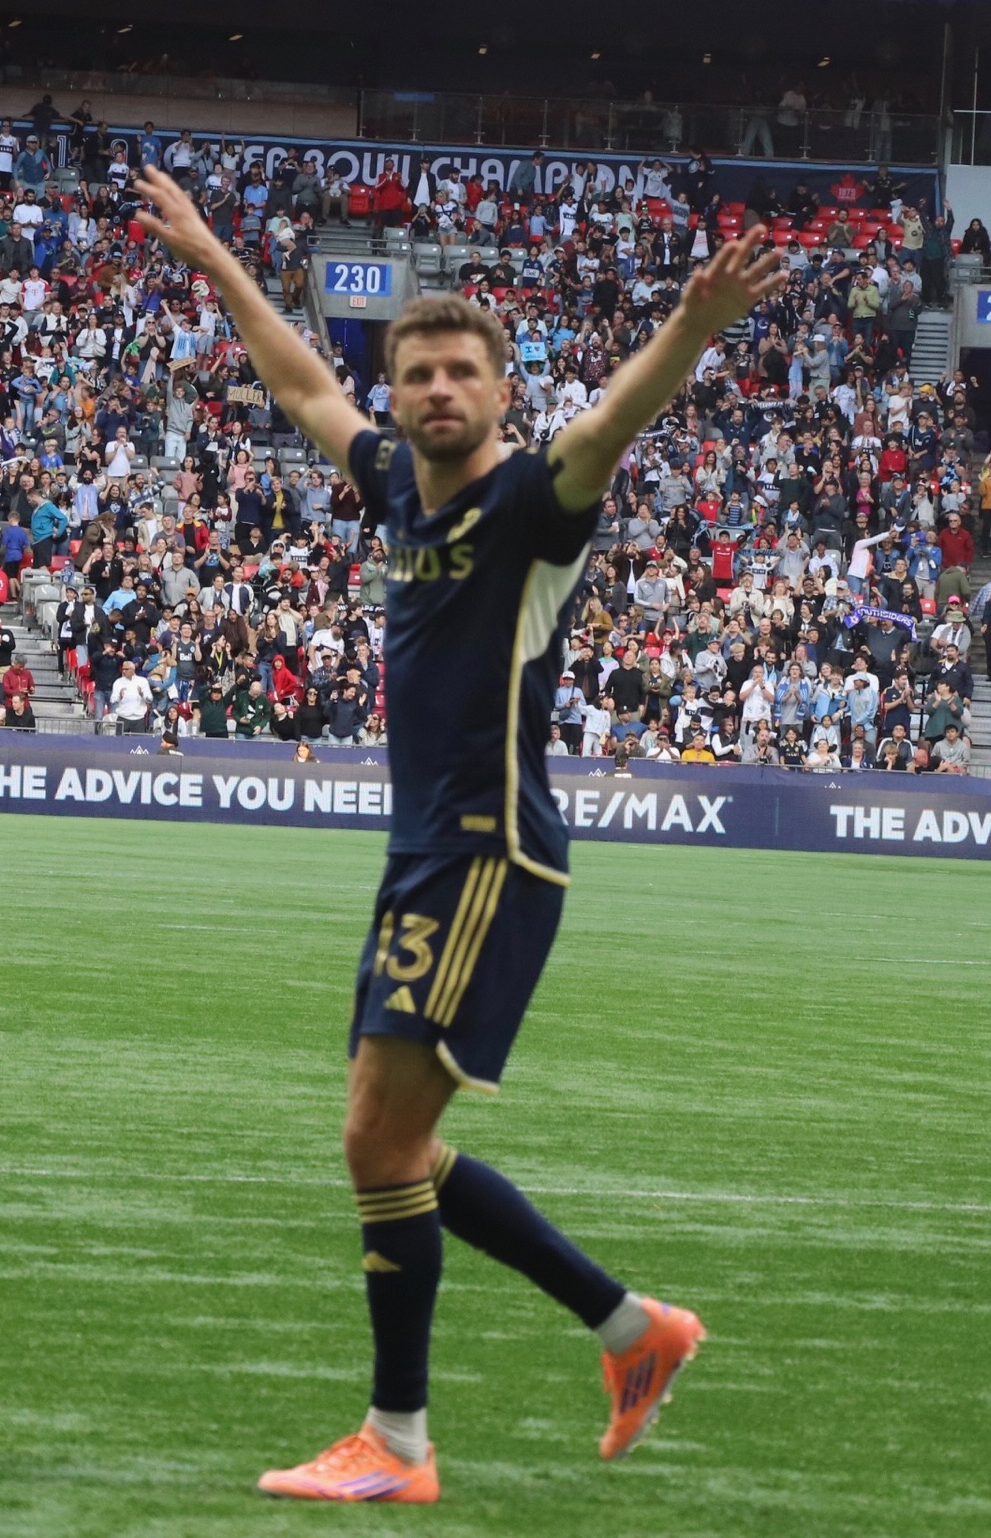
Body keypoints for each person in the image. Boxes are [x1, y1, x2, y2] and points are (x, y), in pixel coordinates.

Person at [137, 165, 783, 1503]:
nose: (435, 391)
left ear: (501, 390)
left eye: (460, 374)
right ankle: (632, 1330)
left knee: (374, 1144)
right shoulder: (393, 484)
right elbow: (304, 383)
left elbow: (611, 424)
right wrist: (212, 258)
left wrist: (693, 330)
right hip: (426, 851)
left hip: (488, 848)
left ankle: (401, 1443)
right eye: (417, 373)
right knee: (400, 1149)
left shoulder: (533, 504)